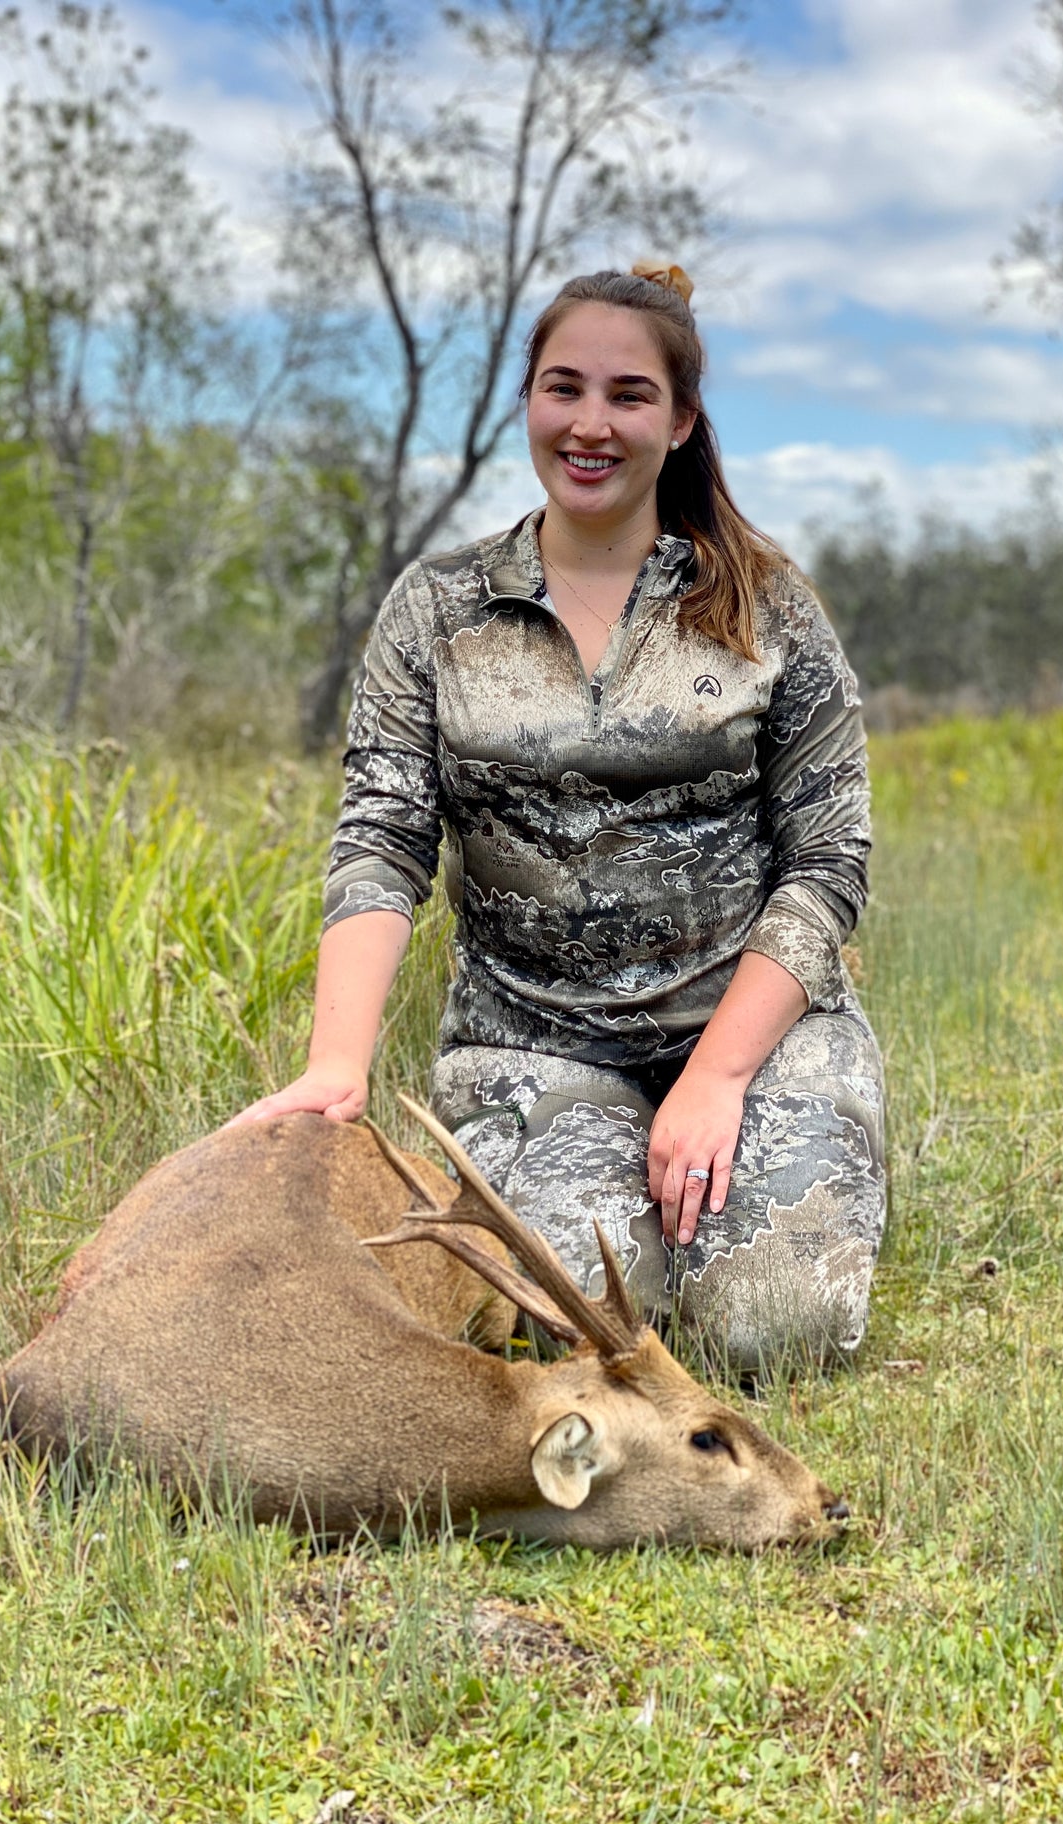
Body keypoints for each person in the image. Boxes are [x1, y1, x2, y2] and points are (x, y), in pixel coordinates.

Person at [228, 261, 885, 1374]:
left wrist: (718, 1077)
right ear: (526, 401)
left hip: (751, 1033)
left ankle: (814, 1155)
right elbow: (381, 840)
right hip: (529, 1045)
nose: (590, 424)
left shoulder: (764, 602)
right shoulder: (436, 609)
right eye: (561, 388)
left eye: (628, 396)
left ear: (679, 421)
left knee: (771, 1334)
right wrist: (338, 1063)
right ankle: (628, 1189)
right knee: (568, 1325)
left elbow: (827, 859)